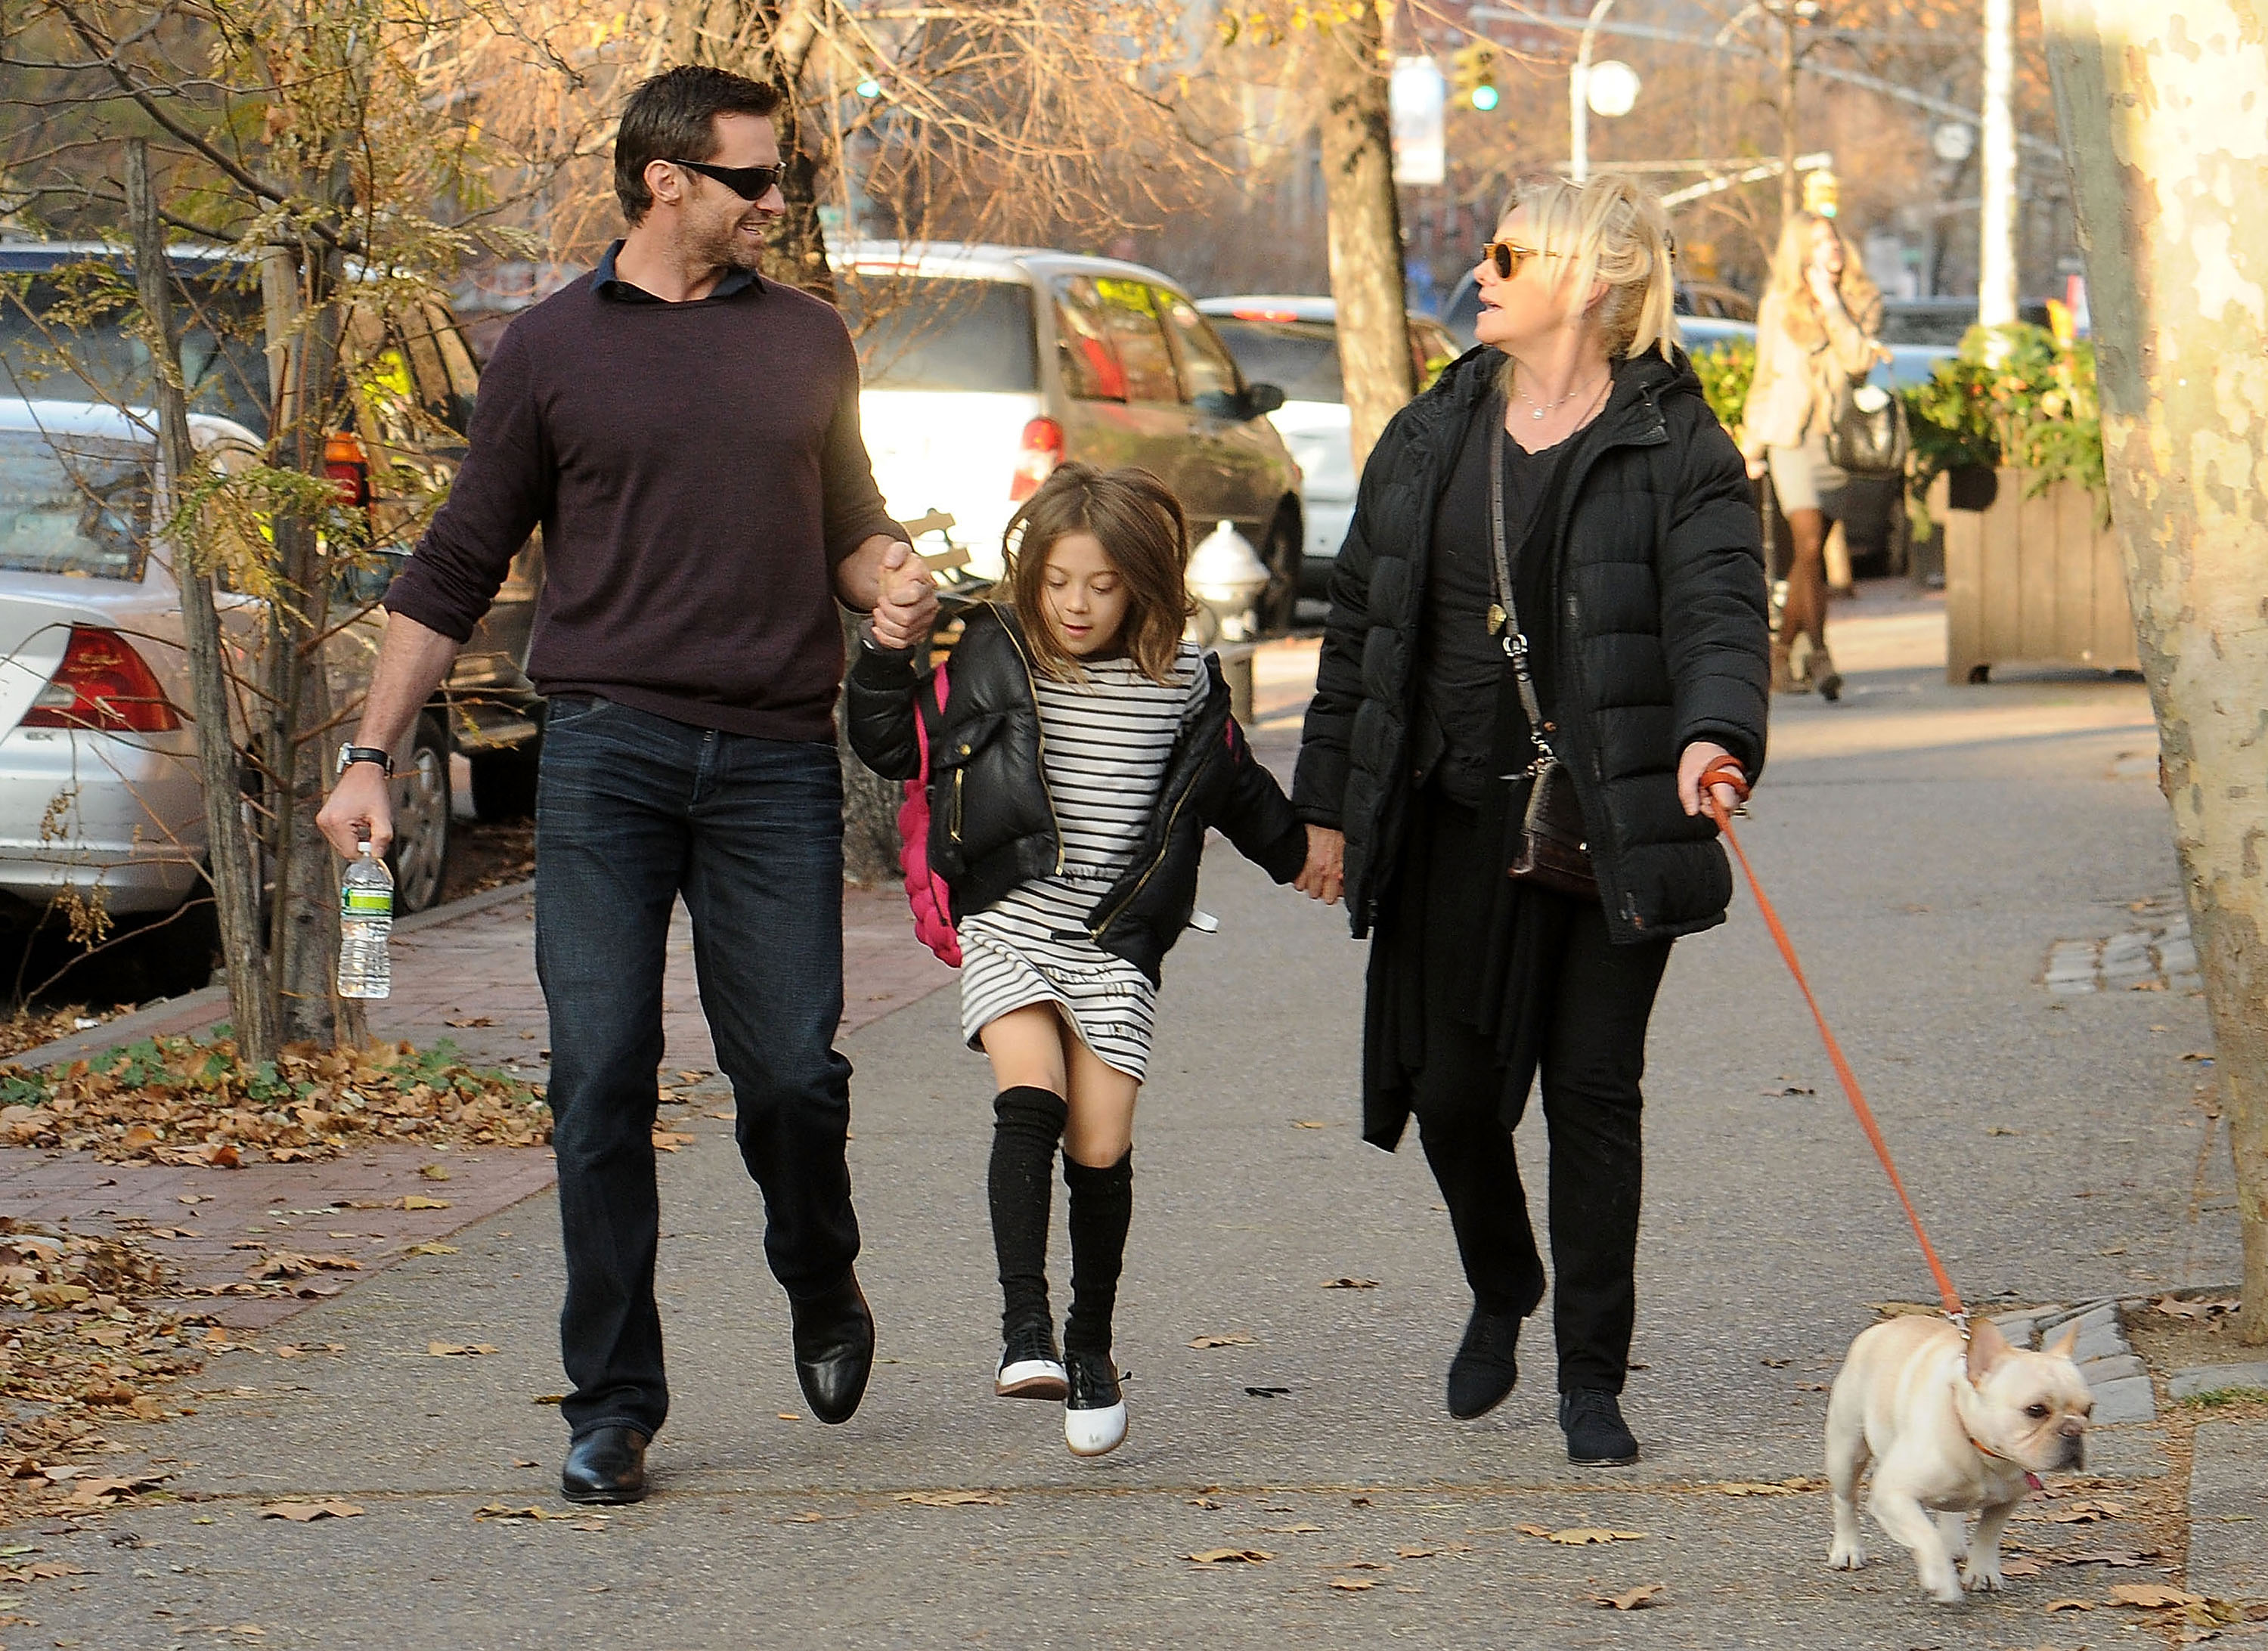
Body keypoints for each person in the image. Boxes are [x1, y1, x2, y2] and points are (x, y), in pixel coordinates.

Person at [314, 64, 939, 1507]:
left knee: (789, 1071)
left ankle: (817, 1263)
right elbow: (456, 563)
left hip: (775, 755)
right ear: (667, 179)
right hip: (607, 751)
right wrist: (370, 753)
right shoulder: (548, 349)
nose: (778, 203)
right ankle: (614, 1400)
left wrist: (888, 579)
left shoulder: (809, 339)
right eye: (754, 180)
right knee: (597, 1077)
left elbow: (845, 520)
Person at [1290, 174, 1770, 1467]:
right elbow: (1360, 627)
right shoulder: (1432, 430)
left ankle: (1591, 1380)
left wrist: (1717, 733)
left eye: (1511, 252)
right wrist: (1324, 807)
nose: (1483, 270)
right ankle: (1506, 1279)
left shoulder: (1677, 442)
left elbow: (1720, 606)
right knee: (1451, 1095)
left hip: (1616, 811)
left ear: (1592, 283)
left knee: (1596, 1094)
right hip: (1452, 815)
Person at [845, 463, 1308, 1458]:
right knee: (1032, 1101)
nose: (1077, 604)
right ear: (1031, 579)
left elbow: (1238, 792)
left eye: (1101, 585)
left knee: (1099, 1149)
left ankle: (1090, 1347)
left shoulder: (1181, 682)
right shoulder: (993, 657)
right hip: (1012, 919)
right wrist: (885, 649)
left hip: (1112, 945)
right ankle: (1026, 1332)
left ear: (1143, 583)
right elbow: (891, 744)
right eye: (1058, 582)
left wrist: (1318, 858)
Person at [1738, 210, 1885, 700]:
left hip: (1837, 441)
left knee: (1813, 554)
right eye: (1821, 243)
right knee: (1805, 546)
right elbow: (1765, 377)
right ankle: (1820, 653)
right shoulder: (1779, 304)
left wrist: (1830, 303)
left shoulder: (1863, 299)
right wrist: (1750, 447)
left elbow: (1859, 362)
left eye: (1835, 240)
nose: (1833, 249)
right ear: (1802, 251)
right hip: (1791, 438)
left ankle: (1780, 654)